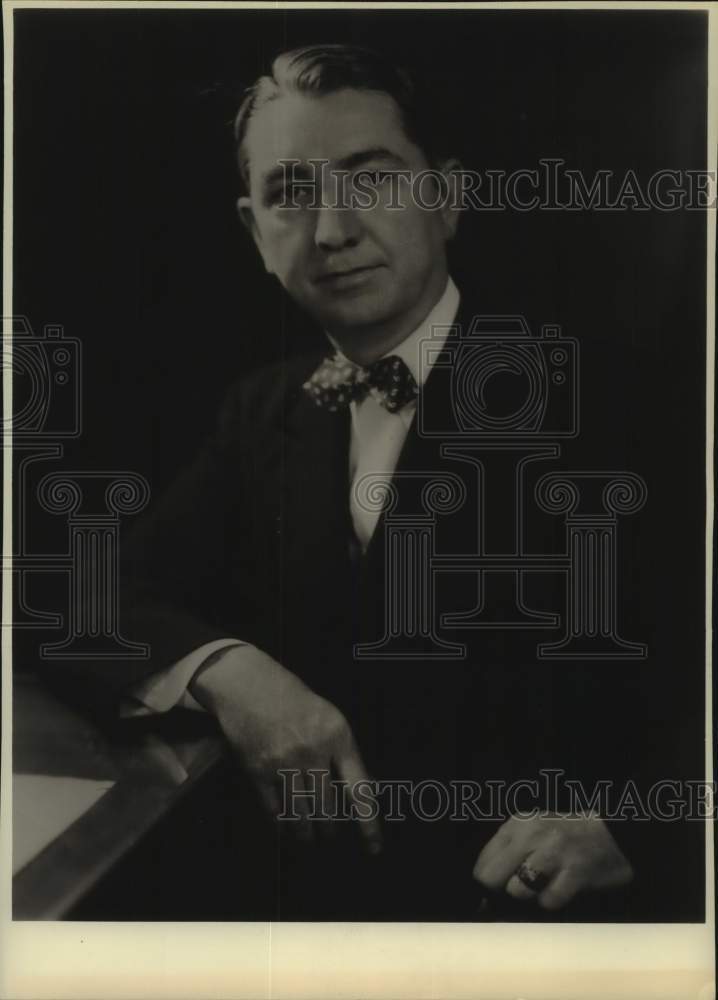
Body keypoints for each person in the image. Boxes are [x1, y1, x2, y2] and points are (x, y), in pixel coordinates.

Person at [66, 44, 687, 921]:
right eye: (291, 193)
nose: (330, 230)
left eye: (372, 178)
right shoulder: (263, 410)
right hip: (312, 921)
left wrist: (637, 828)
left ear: (449, 197)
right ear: (252, 232)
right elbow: (90, 594)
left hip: (550, 931)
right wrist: (232, 673)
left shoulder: (623, 394)